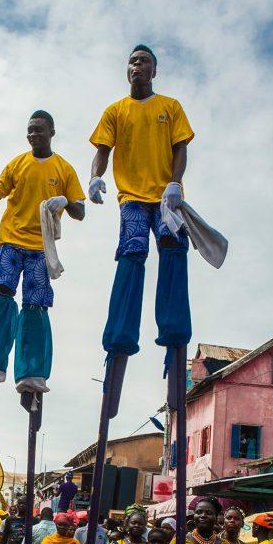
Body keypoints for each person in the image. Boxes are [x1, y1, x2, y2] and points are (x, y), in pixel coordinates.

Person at [0, 111, 85, 394]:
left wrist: (66, 201)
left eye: (39, 130)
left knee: (35, 305)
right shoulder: (17, 164)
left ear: (51, 132)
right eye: (29, 130)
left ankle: (32, 372)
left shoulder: (64, 169)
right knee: (1, 294)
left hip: (40, 249)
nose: (33, 135)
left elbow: (80, 212)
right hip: (11, 241)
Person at [89, 45, 194, 360]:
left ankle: (173, 328)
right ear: (127, 70)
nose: (137, 65)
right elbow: (103, 149)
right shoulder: (116, 110)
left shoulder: (170, 106)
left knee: (174, 251)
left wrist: (175, 182)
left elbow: (180, 147)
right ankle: (120, 333)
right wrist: (95, 177)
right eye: (132, 60)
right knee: (132, 256)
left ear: (154, 70)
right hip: (132, 198)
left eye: (144, 61)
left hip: (166, 197)